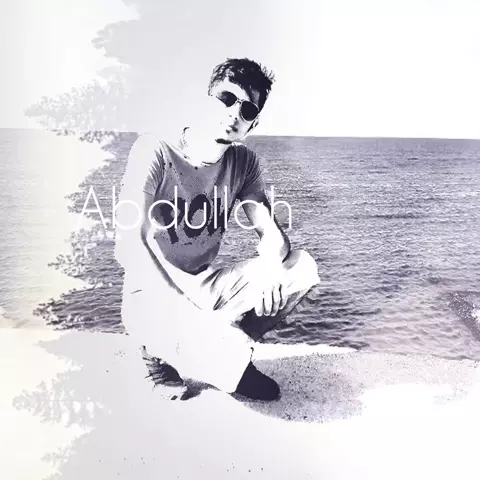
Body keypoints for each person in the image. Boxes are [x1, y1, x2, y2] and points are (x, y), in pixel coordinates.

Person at [114, 57, 320, 401]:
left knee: (301, 268)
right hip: (151, 292)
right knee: (186, 331)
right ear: (205, 101)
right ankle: (159, 358)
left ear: (253, 124)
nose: (234, 113)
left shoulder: (244, 163)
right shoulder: (155, 150)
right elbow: (128, 243)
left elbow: (270, 233)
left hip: (204, 285)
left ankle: (233, 353)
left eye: (247, 109)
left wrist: (272, 269)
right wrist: (181, 309)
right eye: (227, 99)